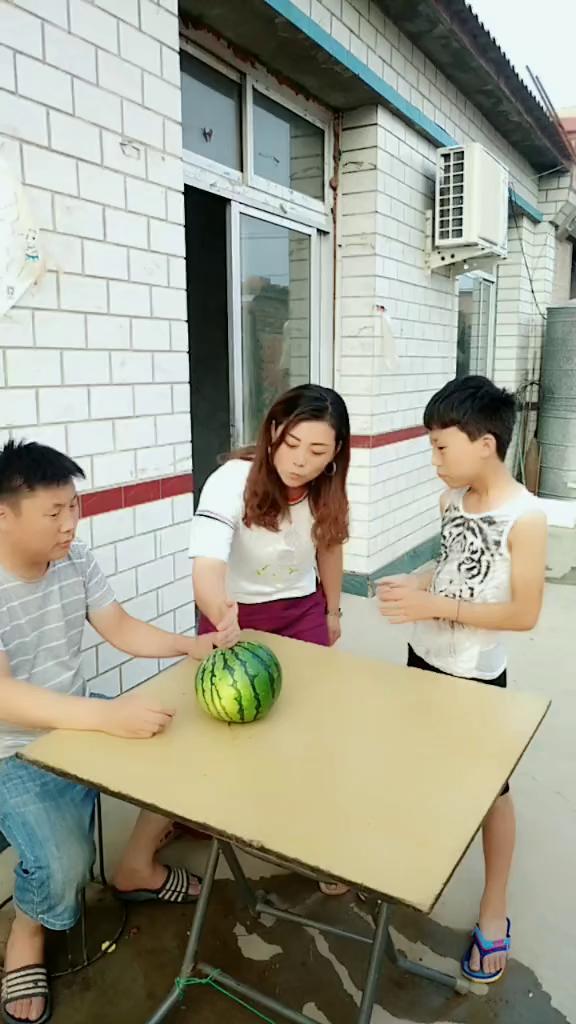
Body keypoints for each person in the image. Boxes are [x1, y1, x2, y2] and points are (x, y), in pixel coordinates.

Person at [0, 441, 231, 1024]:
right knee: (64, 865)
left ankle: (136, 868)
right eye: (54, 512)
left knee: (184, 751)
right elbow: (4, 699)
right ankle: (27, 931)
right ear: (4, 514)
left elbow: (119, 626)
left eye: (74, 506)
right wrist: (107, 717)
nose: (70, 524)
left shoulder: (75, 560)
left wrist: (188, 645)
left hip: (77, 717)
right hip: (11, 749)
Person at [378, 376, 547, 985]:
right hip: (424, 657)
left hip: (477, 674)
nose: (434, 459)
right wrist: (417, 583)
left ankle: (493, 911)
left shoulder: (526, 517)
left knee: (491, 794)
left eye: (440, 446)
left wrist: (435, 605)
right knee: (421, 764)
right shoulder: (451, 500)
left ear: (485, 443)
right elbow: (448, 562)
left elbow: (524, 613)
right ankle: (410, 866)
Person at [189, 384, 351, 894]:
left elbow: (329, 547)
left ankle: (313, 839)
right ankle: (217, 811)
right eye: (292, 443)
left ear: (336, 453)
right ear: (274, 431)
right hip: (234, 614)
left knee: (312, 721)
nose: (301, 461)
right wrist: (219, 612)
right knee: (230, 728)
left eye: (318, 451)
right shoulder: (231, 480)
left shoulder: (326, 488)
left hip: (301, 611)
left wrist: (331, 610)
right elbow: (207, 563)